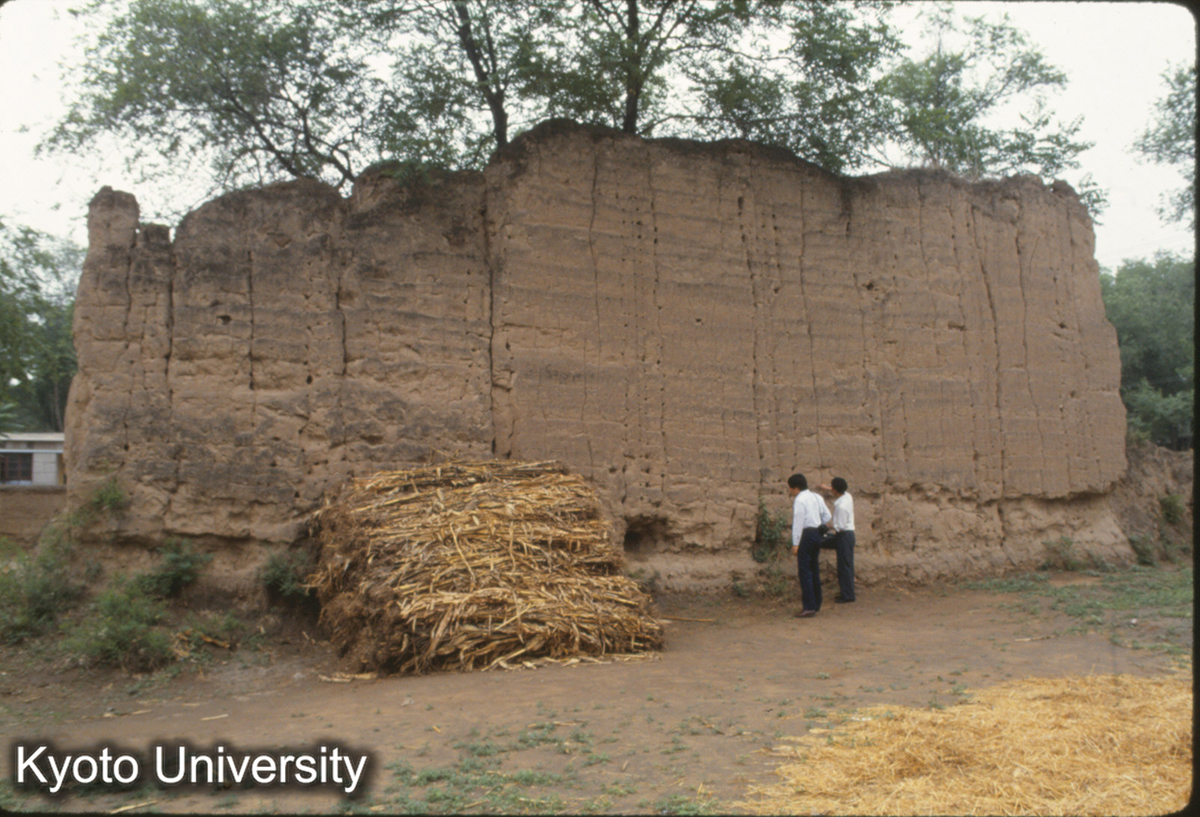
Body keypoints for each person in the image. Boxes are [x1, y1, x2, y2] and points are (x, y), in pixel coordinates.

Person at [787, 473, 831, 617]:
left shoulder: (800, 500)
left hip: (805, 535)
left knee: (805, 571)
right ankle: (816, 603)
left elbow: (798, 522)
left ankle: (809, 607)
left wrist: (795, 543)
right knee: (814, 568)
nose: (790, 491)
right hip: (817, 534)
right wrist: (820, 525)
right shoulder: (816, 497)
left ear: (796, 488)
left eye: (790, 488)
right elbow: (827, 515)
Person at [818, 477, 856, 603]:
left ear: (835, 490)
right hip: (847, 535)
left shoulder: (841, 507)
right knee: (846, 565)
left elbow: (840, 526)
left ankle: (848, 596)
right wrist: (827, 488)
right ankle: (847, 593)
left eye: (832, 487)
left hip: (844, 535)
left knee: (844, 567)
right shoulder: (847, 496)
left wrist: (827, 527)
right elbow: (838, 490)